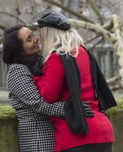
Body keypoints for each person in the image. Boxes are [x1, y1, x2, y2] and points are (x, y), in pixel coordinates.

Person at [32, 10, 117, 152]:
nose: (39, 38)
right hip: (103, 130)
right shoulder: (83, 51)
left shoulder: (58, 57)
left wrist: (37, 77)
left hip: (77, 135)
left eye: (40, 33)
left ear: (48, 34)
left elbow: (49, 96)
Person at [2, 25, 94, 152]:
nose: (36, 39)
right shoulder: (17, 71)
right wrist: (73, 109)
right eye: (29, 39)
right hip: (38, 140)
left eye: (33, 34)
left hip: (54, 135)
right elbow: (39, 103)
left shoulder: (39, 64)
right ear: (19, 50)